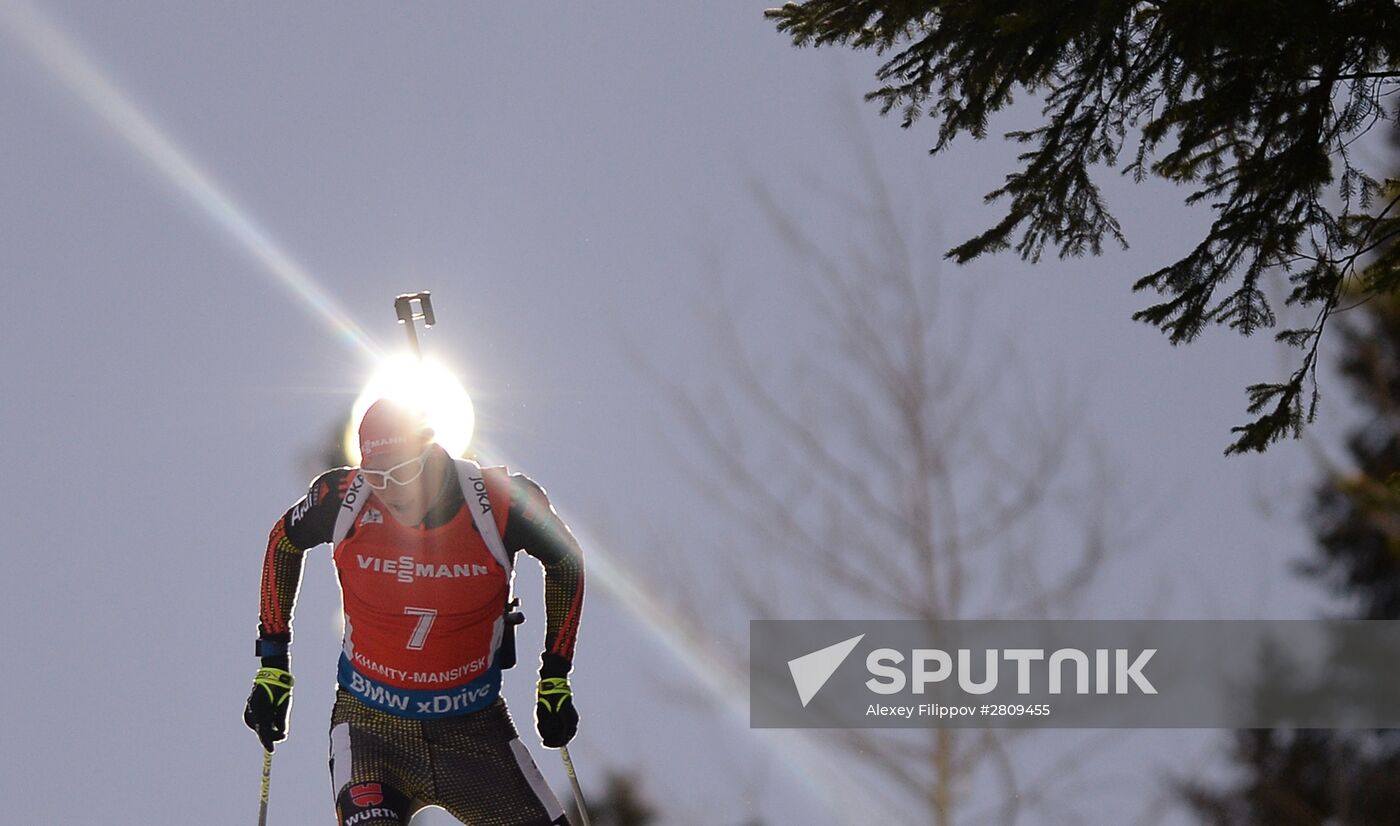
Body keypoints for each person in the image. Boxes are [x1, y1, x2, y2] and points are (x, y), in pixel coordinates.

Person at [244, 398, 583, 826]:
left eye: (402, 472)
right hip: (371, 727)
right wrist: (273, 665)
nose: (390, 491)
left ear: (432, 454)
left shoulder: (498, 502)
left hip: (476, 733)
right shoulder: (343, 498)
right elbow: (283, 541)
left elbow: (566, 561)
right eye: (376, 476)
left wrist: (555, 674)